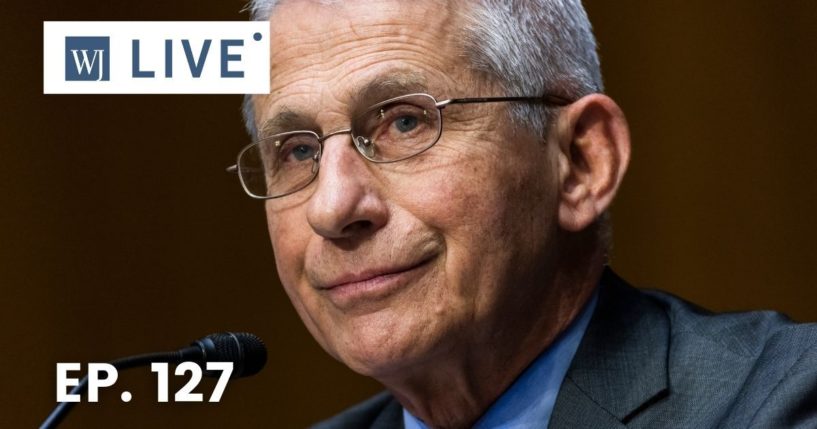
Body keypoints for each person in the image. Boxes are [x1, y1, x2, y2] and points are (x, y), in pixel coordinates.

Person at [231, 0, 817, 427]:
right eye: (299, 151)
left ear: (582, 161)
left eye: (405, 122)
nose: (332, 207)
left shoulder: (778, 402)